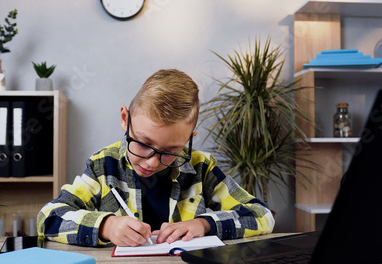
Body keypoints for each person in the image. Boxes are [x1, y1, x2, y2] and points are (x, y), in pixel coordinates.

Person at [37, 69, 275, 247]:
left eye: (171, 151)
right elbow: (48, 217)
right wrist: (105, 226)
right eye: (142, 143)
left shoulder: (202, 167)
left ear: (189, 138)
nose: (151, 162)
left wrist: (204, 224)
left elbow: (261, 215)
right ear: (125, 118)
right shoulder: (104, 165)